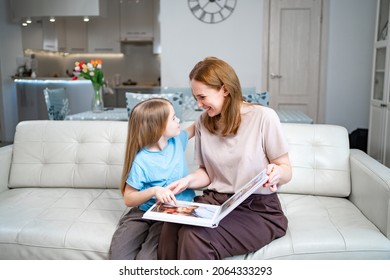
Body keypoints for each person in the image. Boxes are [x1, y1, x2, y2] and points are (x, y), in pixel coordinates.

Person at [158, 57, 292, 260]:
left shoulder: (264, 117)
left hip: (256, 209)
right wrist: (187, 181)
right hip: (216, 202)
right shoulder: (204, 121)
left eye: (202, 97)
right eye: (196, 98)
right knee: (171, 224)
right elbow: (206, 172)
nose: (199, 104)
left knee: (194, 235)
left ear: (225, 89)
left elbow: (285, 169)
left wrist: (277, 173)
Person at [109, 98, 196, 260]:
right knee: (118, 256)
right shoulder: (141, 160)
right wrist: (154, 191)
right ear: (158, 126)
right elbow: (129, 198)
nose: (178, 121)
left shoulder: (178, 141)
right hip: (142, 213)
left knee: (146, 259)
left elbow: (197, 126)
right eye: (173, 118)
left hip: (170, 213)